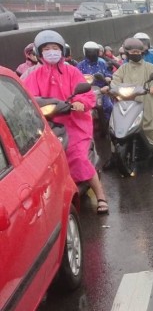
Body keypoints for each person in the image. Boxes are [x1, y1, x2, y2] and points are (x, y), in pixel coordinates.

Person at [23, 30, 109, 214]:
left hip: (75, 124)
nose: (51, 51)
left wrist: (80, 103)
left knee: (78, 157)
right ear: (39, 53)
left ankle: (101, 194)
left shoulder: (72, 71)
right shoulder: (34, 75)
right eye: (46, 48)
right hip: (48, 124)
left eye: (55, 48)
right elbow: (27, 98)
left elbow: (87, 94)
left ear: (62, 50)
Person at [112, 37, 153, 168]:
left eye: (138, 51)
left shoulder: (149, 67)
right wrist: (112, 88)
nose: (135, 54)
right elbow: (115, 80)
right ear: (127, 53)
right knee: (116, 127)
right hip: (129, 104)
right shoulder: (123, 69)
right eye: (132, 52)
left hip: (149, 103)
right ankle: (114, 155)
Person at [76, 40, 113, 122]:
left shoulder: (102, 63)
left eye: (94, 51)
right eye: (89, 52)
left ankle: (108, 127)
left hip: (101, 91)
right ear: (85, 52)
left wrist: (107, 79)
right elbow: (76, 80)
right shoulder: (80, 65)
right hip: (86, 93)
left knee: (109, 107)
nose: (92, 54)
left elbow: (108, 74)